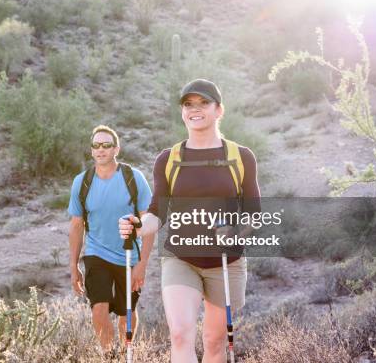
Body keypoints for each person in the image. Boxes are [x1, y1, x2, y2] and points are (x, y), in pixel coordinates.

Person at [119, 79, 261, 363]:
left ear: (219, 110)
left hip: (226, 261)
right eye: (188, 104)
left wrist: (235, 231)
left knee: (214, 341)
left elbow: (254, 215)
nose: (195, 110)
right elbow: (157, 214)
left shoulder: (240, 157)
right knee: (181, 334)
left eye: (203, 103)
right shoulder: (168, 159)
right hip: (180, 258)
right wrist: (137, 225)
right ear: (182, 112)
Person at [68, 125, 154, 355]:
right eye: (96, 145)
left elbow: (149, 224)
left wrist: (142, 265)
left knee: (127, 311)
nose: (101, 149)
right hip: (96, 253)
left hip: (128, 254)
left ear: (116, 148)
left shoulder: (133, 178)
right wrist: (74, 266)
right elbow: (76, 226)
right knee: (99, 308)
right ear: (91, 150)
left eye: (106, 145)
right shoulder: (82, 182)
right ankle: (108, 355)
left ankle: (127, 352)